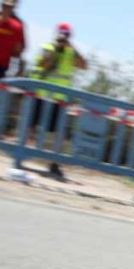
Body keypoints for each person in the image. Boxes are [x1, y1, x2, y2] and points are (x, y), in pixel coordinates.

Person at [30, 23, 86, 179]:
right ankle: (21, 155)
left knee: (58, 133)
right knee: (31, 127)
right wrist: (55, 49)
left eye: (66, 35)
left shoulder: (71, 52)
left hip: (59, 99)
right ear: (56, 33)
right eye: (62, 34)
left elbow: (84, 65)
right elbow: (43, 64)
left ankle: (54, 164)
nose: (63, 37)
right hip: (41, 95)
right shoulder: (47, 47)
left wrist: (72, 48)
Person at [0, 0, 25, 78]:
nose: (7, 8)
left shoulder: (18, 26)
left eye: (10, 6)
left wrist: (14, 70)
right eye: (5, 5)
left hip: (3, 67)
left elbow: (18, 49)